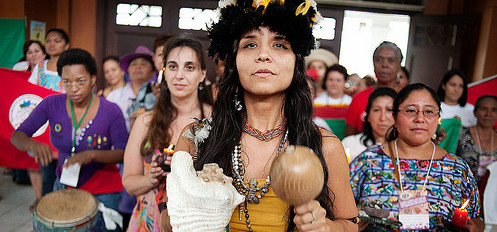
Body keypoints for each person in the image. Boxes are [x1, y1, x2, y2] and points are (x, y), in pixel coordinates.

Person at [161, 0, 359, 231]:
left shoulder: (325, 146)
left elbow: (350, 224)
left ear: (296, 63)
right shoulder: (196, 139)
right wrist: (189, 213)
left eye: (280, 45)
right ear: (233, 60)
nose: (264, 54)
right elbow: (167, 219)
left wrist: (324, 226)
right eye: (250, 45)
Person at [11, 48, 128, 231]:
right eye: (66, 82)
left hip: (104, 189)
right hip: (65, 184)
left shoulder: (111, 111)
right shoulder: (52, 104)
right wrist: (33, 144)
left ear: (93, 79)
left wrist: (91, 155)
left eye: (80, 81)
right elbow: (17, 136)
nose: (73, 88)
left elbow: (122, 153)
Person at [350, 83, 482, 231]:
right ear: (394, 116)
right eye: (411, 110)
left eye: (429, 111)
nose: (420, 118)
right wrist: (351, 222)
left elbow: (477, 218)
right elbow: (339, 214)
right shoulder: (368, 162)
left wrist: (473, 227)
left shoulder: (457, 169)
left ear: (438, 117)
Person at [122, 35, 213, 232]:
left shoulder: (214, 120)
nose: (179, 75)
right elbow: (129, 182)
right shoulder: (145, 122)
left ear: (202, 74)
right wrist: (151, 178)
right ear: (164, 71)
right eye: (173, 66)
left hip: (197, 221)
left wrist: (190, 172)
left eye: (189, 67)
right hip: (148, 220)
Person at [345, 41, 404, 136]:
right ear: (373, 63)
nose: (384, 65)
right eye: (379, 60)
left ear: (399, 66)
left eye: (391, 60)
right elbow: (350, 140)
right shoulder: (359, 99)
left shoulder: (409, 97)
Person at [106, 46, 156, 131]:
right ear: (127, 70)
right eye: (134, 64)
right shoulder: (114, 96)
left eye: (143, 64)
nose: (138, 66)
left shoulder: (157, 95)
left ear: (153, 71)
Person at [342, 87, 396, 162]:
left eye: (389, 110)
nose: (383, 118)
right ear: (368, 116)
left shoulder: (405, 148)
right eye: (377, 110)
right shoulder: (350, 144)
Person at [456, 95, 497, 185]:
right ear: (475, 112)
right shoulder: (461, 134)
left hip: (492, 194)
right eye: (484, 109)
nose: (488, 114)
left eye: (494, 110)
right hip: (463, 191)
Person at [28, 28, 70, 93]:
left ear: (66, 46)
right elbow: (30, 89)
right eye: (48, 41)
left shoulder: (71, 68)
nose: (51, 45)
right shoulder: (40, 66)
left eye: (57, 41)